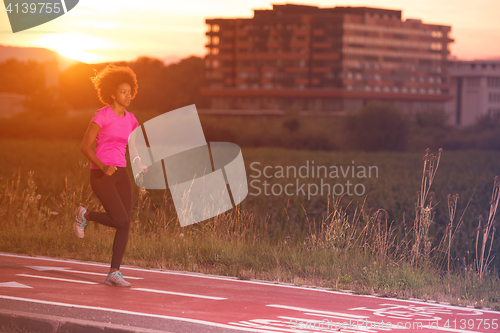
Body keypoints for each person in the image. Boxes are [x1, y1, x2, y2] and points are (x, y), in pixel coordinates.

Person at [75, 65, 147, 287]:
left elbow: (132, 147)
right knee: (121, 219)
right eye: (124, 92)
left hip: (121, 173)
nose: (128, 96)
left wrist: (138, 162)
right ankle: (85, 215)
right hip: (101, 174)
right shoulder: (102, 115)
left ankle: (113, 273)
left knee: (125, 223)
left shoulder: (131, 119)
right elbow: (85, 147)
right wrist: (102, 165)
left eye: (130, 91)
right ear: (113, 94)